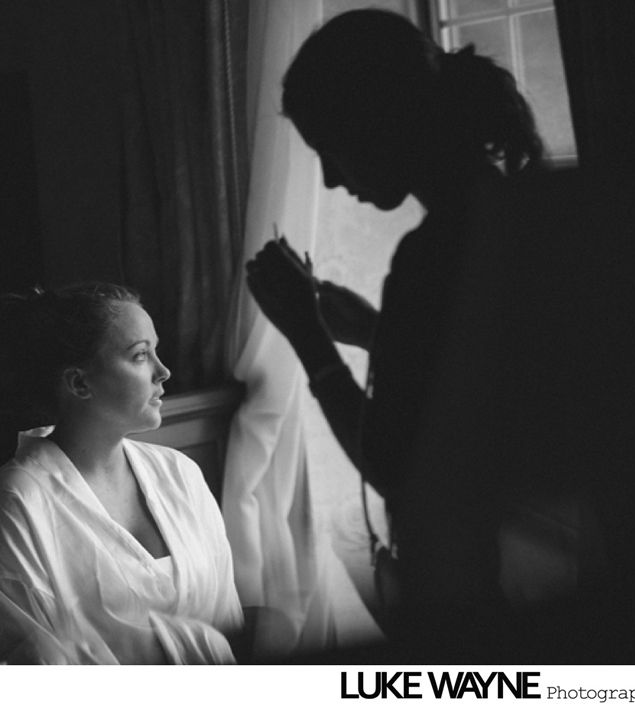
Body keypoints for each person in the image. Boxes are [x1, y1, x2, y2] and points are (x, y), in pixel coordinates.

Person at [245, 9, 545, 652]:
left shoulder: (435, 254)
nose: (330, 178)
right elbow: (492, 386)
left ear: (376, 124)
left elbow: (398, 470)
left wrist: (307, 336)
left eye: (329, 148)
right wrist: (379, 333)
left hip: (485, 596)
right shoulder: (521, 217)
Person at [0, 283, 243, 664]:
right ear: (80, 383)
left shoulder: (180, 473)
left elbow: (228, 619)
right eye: (140, 355)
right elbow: (33, 660)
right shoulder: (19, 502)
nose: (163, 371)